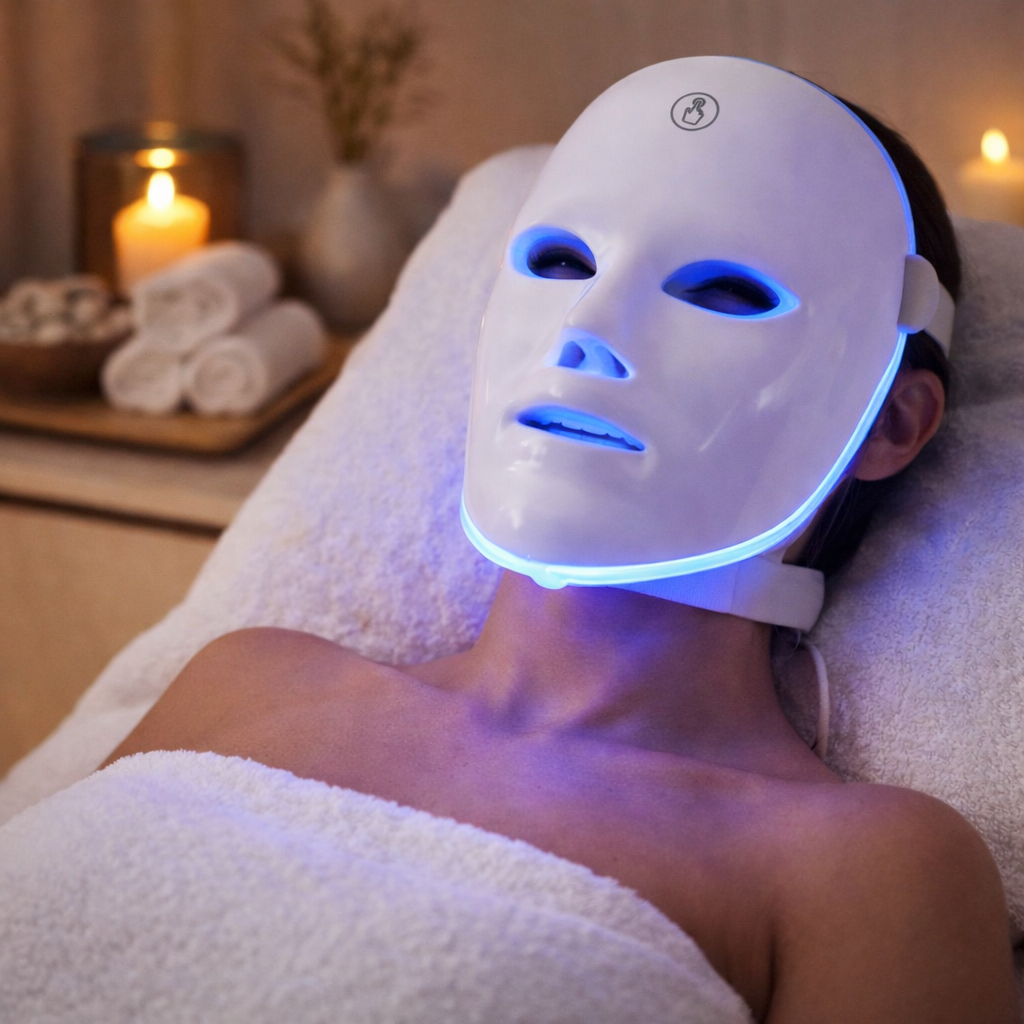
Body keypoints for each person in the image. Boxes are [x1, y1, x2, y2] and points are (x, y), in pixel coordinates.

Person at [103, 57, 1019, 1022]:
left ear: (892, 426)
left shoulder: (860, 872)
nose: (585, 330)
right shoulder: (245, 684)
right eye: (562, 263)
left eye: (725, 293)